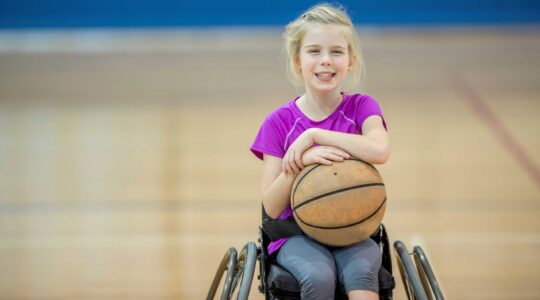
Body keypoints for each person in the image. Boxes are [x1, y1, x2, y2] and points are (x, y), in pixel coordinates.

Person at [250, 3, 390, 300]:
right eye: (314, 51)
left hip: (352, 227)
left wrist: (315, 136)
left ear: (351, 61)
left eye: (336, 52)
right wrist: (301, 164)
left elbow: (380, 149)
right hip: (295, 234)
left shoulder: (361, 108)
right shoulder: (278, 122)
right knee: (318, 275)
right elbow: (272, 208)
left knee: (361, 272)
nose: (326, 61)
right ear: (297, 61)